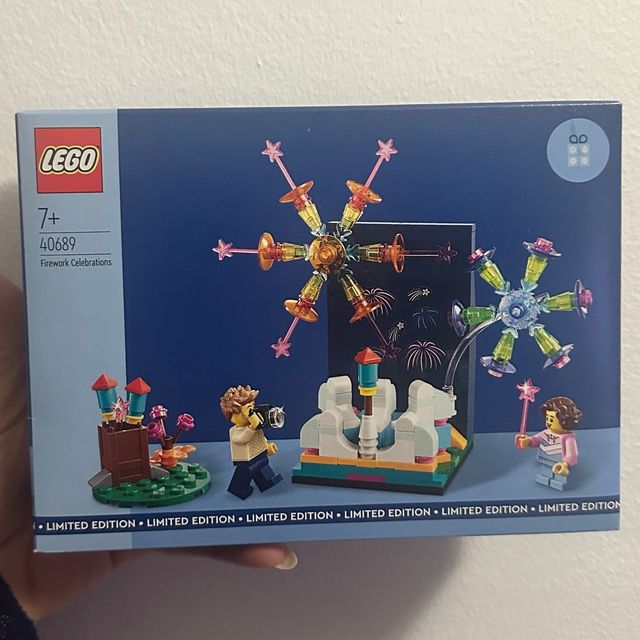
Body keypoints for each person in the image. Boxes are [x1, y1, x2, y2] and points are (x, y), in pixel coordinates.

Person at [0, 276, 297, 636]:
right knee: (243, 476)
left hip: (20, 573)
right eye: (247, 409)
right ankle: (240, 489)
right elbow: (242, 436)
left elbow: (254, 434)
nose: (253, 412)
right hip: (27, 551)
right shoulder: (236, 429)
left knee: (260, 471)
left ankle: (259, 483)